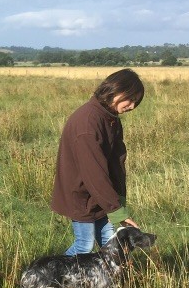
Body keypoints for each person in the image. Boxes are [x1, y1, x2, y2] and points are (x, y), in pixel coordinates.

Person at [50, 68, 145, 255]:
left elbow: (116, 162)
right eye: (131, 99)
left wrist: (118, 202)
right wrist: (116, 210)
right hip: (82, 196)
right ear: (117, 91)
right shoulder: (88, 123)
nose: (132, 106)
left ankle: (109, 283)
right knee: (84, 247)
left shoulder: (109, 118)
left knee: (109, 246)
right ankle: (52, 279)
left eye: (136, 102)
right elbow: (94, 174)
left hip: (101, 196)